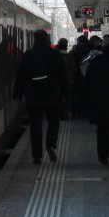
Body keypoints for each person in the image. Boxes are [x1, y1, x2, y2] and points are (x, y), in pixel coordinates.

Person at [13, 29, 68, 164]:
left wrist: (17, 95)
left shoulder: (28, 55)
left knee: (35, 125)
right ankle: (50, 144)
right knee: (53, 121)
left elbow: (21, 76)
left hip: (33, 95)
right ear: (47, 39)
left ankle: (36, 155)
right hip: (52, 94)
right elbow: (63, 76)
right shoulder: (55, 54)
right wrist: (65, 94)